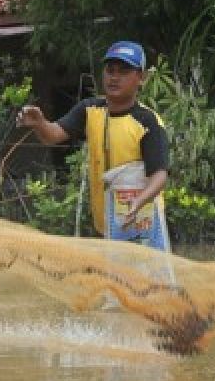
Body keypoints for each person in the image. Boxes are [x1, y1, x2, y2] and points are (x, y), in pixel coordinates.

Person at [16, 41, 170, 250]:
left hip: (141, 224)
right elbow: (52, 136)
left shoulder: (148, 121)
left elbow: (159, 175)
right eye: (110, 70)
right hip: (105, 224)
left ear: (141, 78)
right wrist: (39, 124)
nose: (114, 77)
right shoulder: (90, 110)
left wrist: (139, 201)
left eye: (124, 71)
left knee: (147, 282)